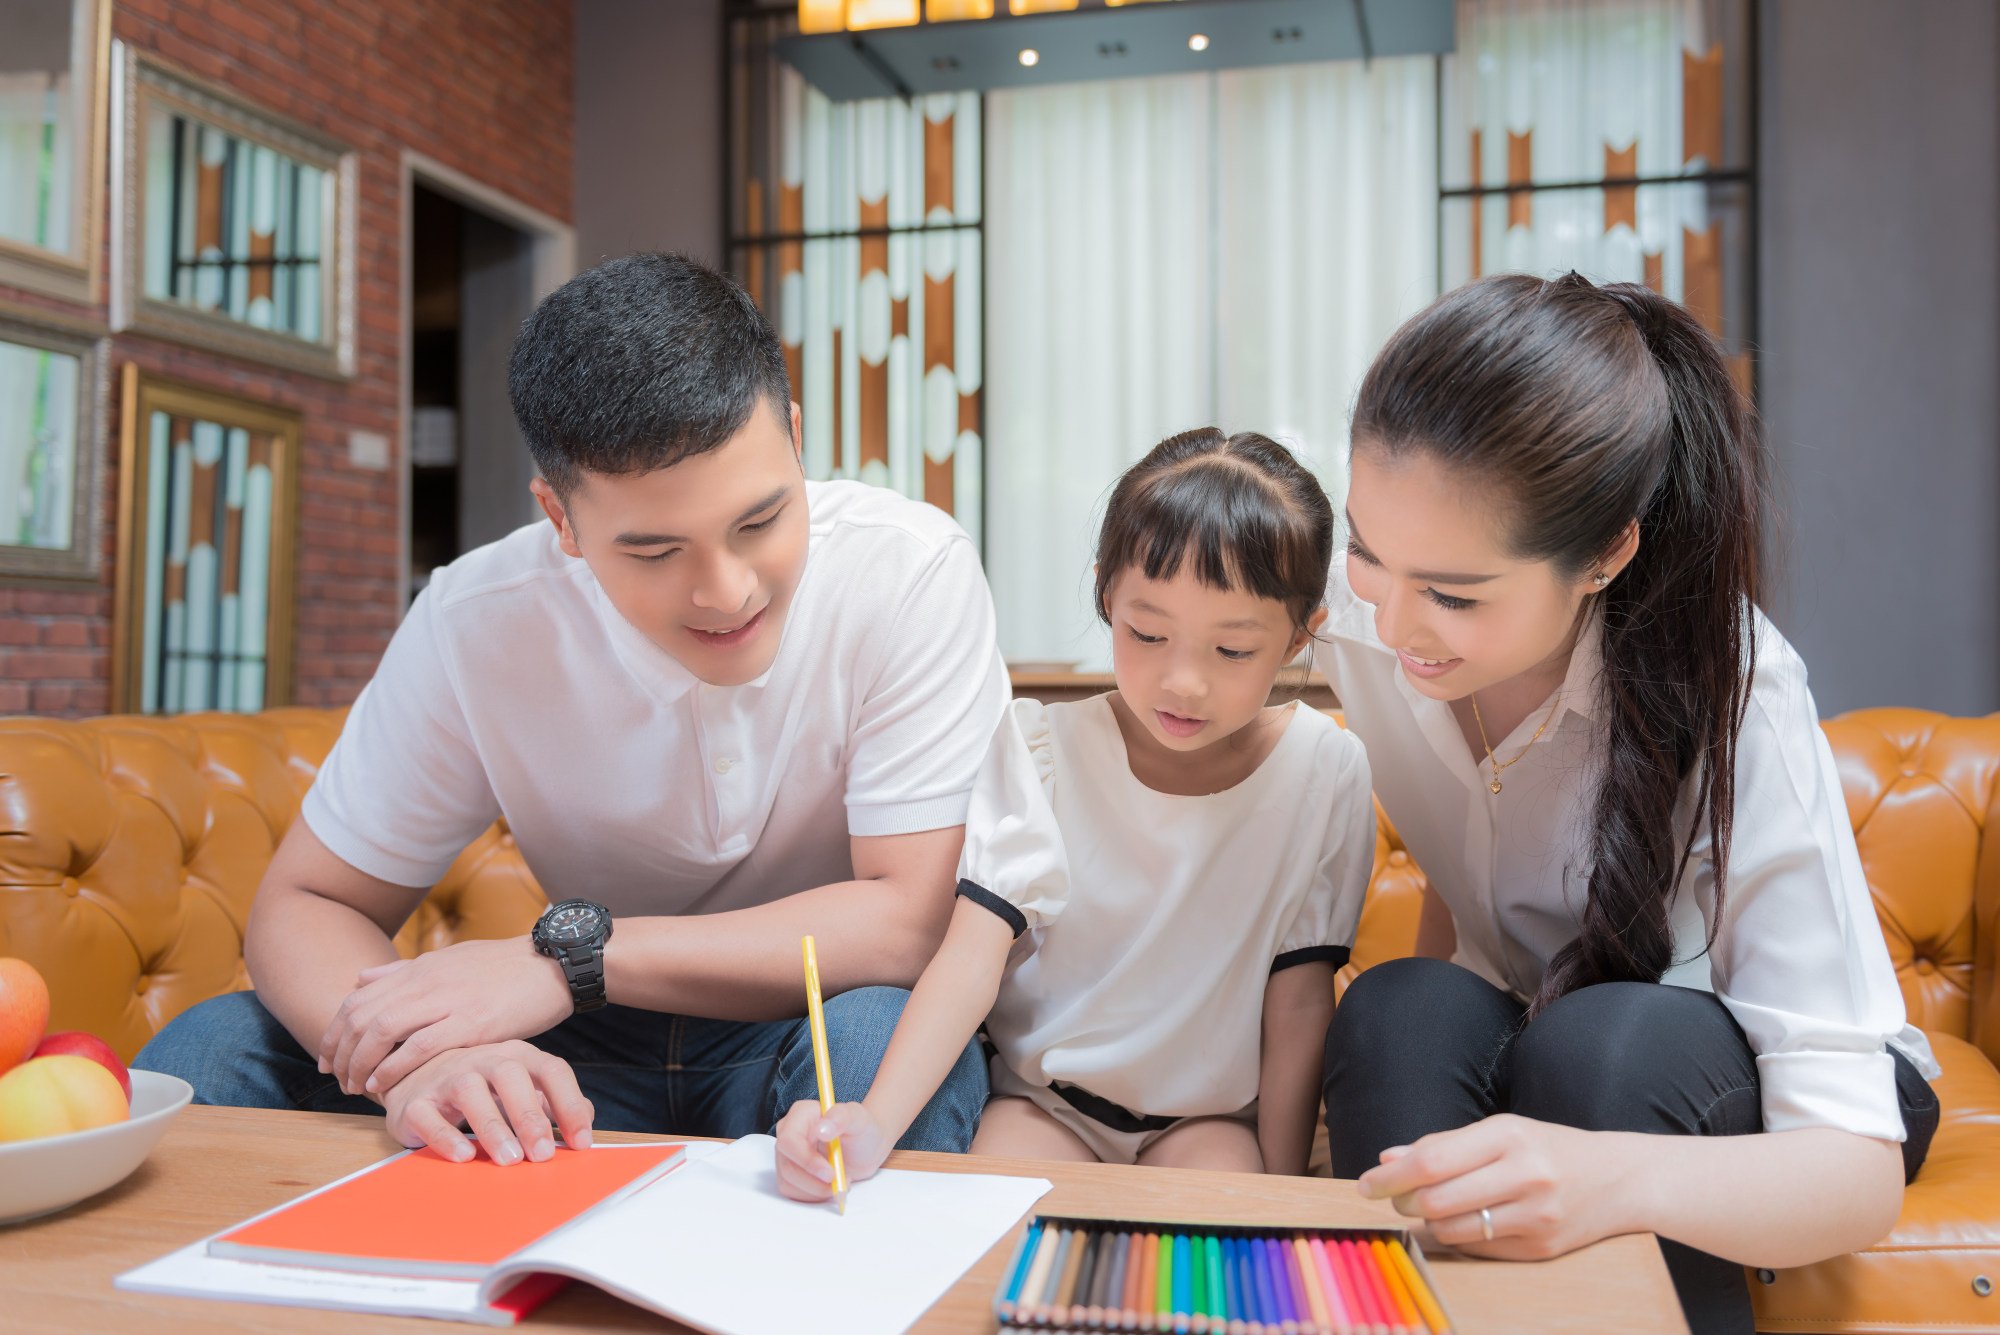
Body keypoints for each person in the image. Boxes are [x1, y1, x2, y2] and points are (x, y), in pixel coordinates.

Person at [135, 253, 1007, 1163]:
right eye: (656, 551)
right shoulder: (478, 618)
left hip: (802, 1023)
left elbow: (911, 923)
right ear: (561, 519)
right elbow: (306, 900)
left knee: (887, 1042)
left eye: (759, 521)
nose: (727, 591)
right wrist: (422, 1062)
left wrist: (569, 962)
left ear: (795, 435)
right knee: (215, 1047)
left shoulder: (908, 570)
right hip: (568, 1050)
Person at [1314, 272, 1940, 1334]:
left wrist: (1605, 1179)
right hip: (1548, 1022)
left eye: (1454, 595)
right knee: (1397, 1011)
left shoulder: (1732, 681)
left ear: (1604, 553)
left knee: (1600, 1044)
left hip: (1778, 1100)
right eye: (1368, 553)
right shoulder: (1360, 627)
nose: (1392, 624)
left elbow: (1852, 1170)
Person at [774, 427, 1376, 1198]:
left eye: (1232, 651)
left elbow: (1297, 1008)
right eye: (1148, 633)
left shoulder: (1325, 771)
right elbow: (970, 956)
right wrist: (876, 1121)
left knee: (1225, 1243)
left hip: (1205, 1124)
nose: (1181, 682)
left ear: (1299, 634)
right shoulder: (1042, 747)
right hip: (1045, 1104)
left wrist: (1291, 1192)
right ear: (1105, 595)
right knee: (989, 1224)